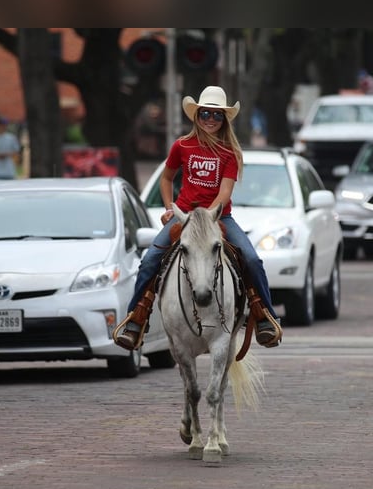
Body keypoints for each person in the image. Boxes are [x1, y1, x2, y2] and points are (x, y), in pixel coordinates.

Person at [114, 85, 282, 351]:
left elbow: (225, 192)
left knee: (251, 258)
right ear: (197, 116)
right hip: (184, 216)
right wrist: (170, 207)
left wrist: (208, 216)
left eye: (217, 115)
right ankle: (136, 319)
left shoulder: (229, 153)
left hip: (219, 218)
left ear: (224, 119)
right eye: (205, 114)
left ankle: (265, 318)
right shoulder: (182, 145)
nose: (211, 120)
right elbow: (167, 178)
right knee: (149, 261)